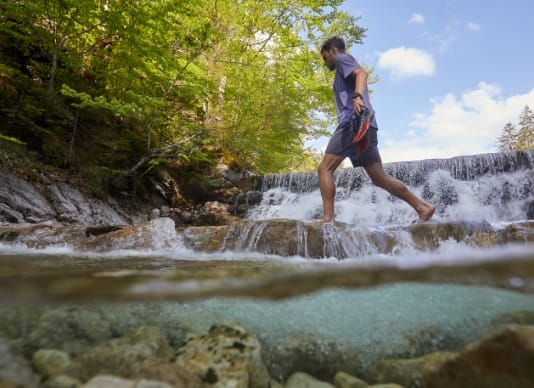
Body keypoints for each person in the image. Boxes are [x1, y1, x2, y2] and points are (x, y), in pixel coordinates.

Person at [318, 36, 435, 223]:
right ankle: (423, 207)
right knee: (380, 178)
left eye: (325, 58)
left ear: (333, 50)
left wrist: (356, 97)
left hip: (352, 123)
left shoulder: (342, 59)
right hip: (366, 126)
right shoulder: (342, 68)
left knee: (324, 168)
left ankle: (328, 220)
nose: (325, 63)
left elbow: (362, 74)